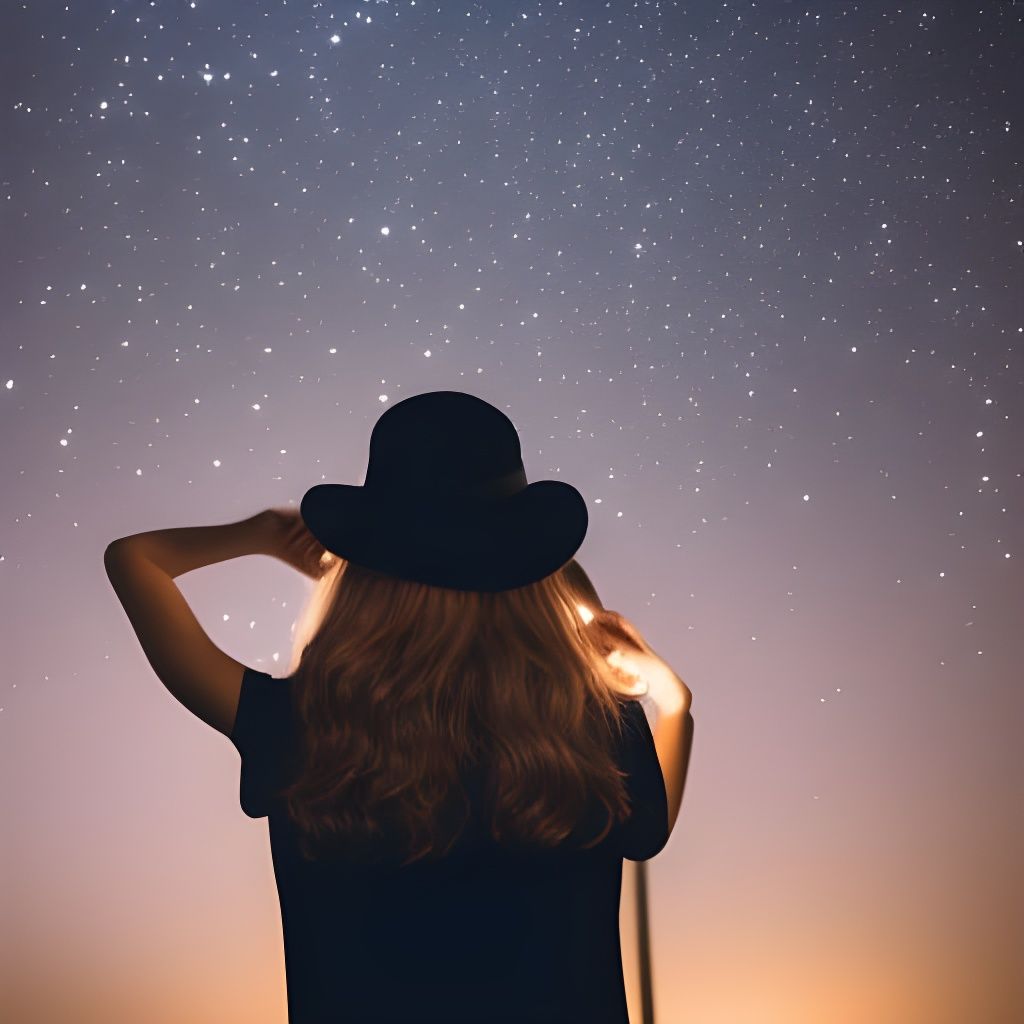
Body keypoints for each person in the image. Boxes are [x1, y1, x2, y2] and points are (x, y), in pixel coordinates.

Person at [104, 390, 693, 1024]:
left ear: (365, 573)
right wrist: (674, 698)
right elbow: (648, 832)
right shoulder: (594, 733)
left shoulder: (300, 725)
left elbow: (134, 560)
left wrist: (260, 535)